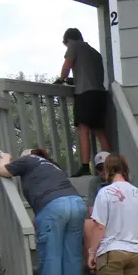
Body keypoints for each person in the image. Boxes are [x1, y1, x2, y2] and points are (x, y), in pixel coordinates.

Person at [0, 148, 86, 275]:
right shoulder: (53, 166)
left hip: (54, 207)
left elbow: (2, 170)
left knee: (51, 257)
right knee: (72, 258)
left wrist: (6, 157)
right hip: (76, 203)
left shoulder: (28, 159)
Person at [56, 28, 111, 177]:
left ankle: (85, 167)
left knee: (83, 129)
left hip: (85, 94)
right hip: (99, 94)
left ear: (69, 41)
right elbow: (91, 74)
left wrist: (61, 80)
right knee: (100, 131)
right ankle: (110, 164)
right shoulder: (94, 53)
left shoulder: (74, 47)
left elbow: (67, 66)